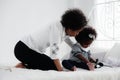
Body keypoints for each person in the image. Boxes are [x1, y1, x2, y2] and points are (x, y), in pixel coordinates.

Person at [14, 8, 87, 71]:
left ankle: (25, 63)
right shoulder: (56, 30)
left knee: (51, 64)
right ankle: (25, 65)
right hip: (23, 50)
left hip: (31, 50)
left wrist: (78, 48)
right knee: (54, 66)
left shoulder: (65, 28)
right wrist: (61, 71)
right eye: (77, 31)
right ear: (70, 28)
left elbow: (67, 39)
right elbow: (54, 54)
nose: (77, 34)